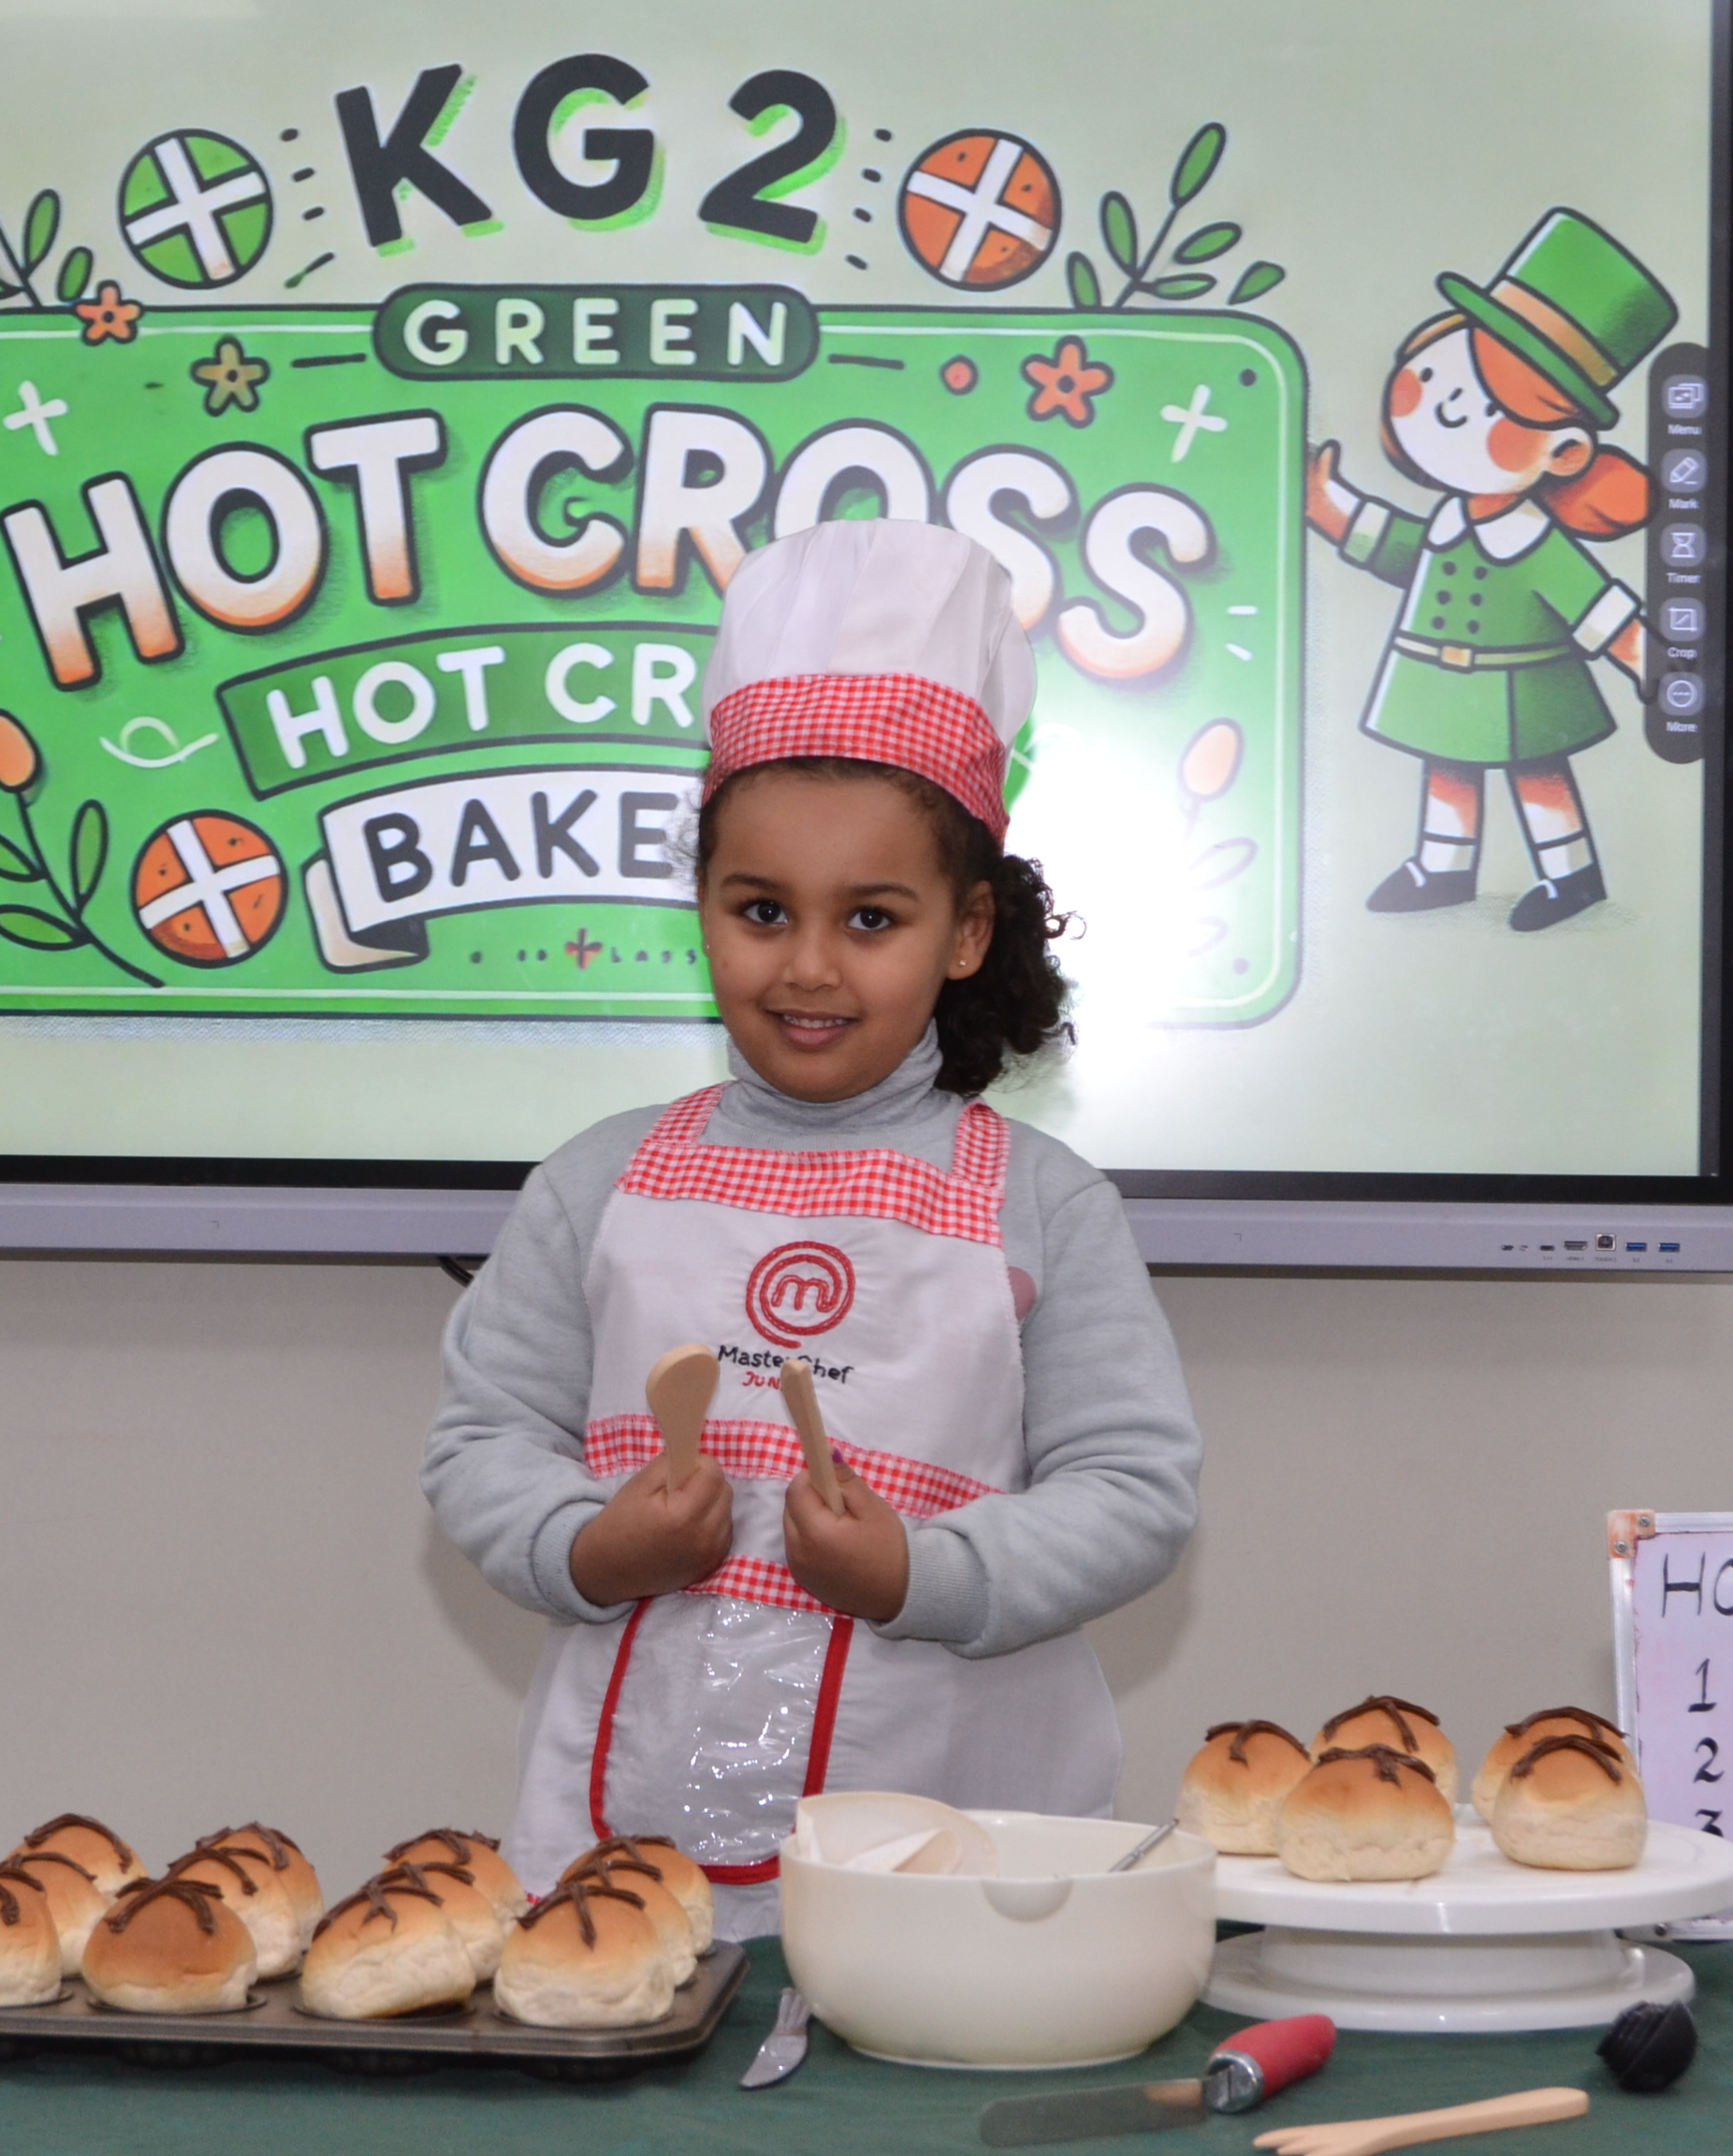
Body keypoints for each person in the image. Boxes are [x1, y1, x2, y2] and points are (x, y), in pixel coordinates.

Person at [422, 520, 1203, 1938]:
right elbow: (484, 1445)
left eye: (874, 919)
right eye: (763, 909)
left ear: (967, 932)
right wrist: (595, 1550)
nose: (809, 966)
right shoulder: (597, 1182)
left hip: (966, 1878)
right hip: (629, 1882)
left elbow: (1136, 1493)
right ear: (702, 907)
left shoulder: (1046, 1204)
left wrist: (924, 1574)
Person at [1305, 209, 1678, 933]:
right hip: (1440, 679)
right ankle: (1441, 868)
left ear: (1565, 452)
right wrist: (1331, 508)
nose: (1447, 409)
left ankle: (1570, 875)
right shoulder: (1448, 523)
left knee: (1536, 774)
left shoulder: (1533, 541)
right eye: (1436, 376)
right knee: (1446, 766)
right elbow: (1399, 547)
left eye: (1492, 406)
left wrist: (1647, 659)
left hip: (1523, 684)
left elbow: (1593, 604)